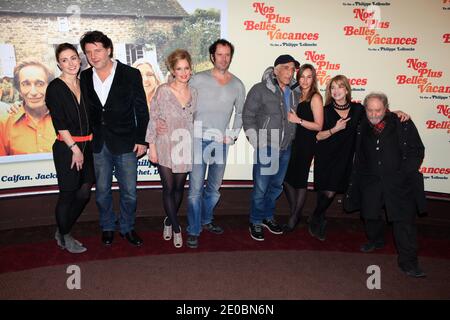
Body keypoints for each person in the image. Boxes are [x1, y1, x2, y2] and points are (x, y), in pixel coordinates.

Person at [310, 75, 410, 241]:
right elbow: (318, 136)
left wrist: (395, 113)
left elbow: (376, 113)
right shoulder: (325, 110)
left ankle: (318, 216)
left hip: (345, 158)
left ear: (347, 89)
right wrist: (335, 129)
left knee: (330, 192)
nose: (336, 91)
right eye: (333, 87)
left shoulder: (357, 109)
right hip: (326, 156)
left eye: (340, 87)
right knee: (327, 192)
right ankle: (316, 218)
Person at [344, 92, 426, 278]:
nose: (373, 114)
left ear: (386, 108)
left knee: (403, 223)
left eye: (378, 110)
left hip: (399, 182)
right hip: (371, 181)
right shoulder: (361, 124)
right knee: (370, 215)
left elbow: (417, 150)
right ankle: (377, 240)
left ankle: (409, 263)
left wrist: (404, 173)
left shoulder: (402, 123)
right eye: (370, 110)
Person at [79, 31, 149, 247]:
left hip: (126, 142)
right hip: (99, 143)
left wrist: (142, 139)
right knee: (102, 192)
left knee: (129, 192)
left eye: (97, 50)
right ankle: (107, 226)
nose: (93, 55)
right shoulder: (84, 77)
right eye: (88, 52)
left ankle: (127, 227)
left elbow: (141, 109)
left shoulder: (130, 74)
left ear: (108, 49)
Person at [184, 39, 246, 249]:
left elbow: (241, 113)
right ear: (212, 56)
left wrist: (233, 134)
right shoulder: (197, 80)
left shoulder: (237, 84)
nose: (224, 58)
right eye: (219, 54)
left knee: (213, 189)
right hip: (197, 140)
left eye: (227, 54)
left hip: (221, 143)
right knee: (195, 189)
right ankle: (193, 230)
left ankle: (205, 220)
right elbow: (184, 105)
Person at [243, 54, 300, 241]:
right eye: (286, 67)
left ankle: (268, 217)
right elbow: (248, 116)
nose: (289, 72)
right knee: (261, 187)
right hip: (267, 145)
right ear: (275, 70)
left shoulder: (296, 92)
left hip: (285, 148)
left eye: (292, 68)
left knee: (276, 186)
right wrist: (257, 142)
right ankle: (256, 221)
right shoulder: (260, 89)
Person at [45, 43, 94, 253]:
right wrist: (74, 149)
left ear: (79, 59)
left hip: (88, 145)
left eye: (73, 58)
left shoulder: (85, 84)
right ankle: (65, 235)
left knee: (84, 192)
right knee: (68, 193)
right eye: (64, 60)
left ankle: (62, 229)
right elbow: (59, 122)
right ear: (59, 64)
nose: (70, 63)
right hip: (68, 148)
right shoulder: (55, 87)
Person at [146, 49, 197, 249]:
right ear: (172, 71)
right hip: (165, 143)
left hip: (184, 144)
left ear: (191, 69)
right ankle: (176, 228)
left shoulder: (195, 92)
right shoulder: (163, 91)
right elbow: (153, 118)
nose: (183, 72)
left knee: (178, 189)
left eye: (186, 68)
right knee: (168, 188)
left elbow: (193, 120)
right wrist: (152, 147)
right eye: (179, 69)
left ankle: (168, 219)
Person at [283, 63, 323, 232]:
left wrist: (298, 120)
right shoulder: (296, 94)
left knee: (299, 181)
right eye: (302, 77)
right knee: (286, 179)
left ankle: (294, 217)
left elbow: (319, 126)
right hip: (293, 141)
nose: (305, 80)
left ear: (313, 79)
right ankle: (296, 212)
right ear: (297, 78)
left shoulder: (315, 97)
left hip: (306, 143)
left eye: (309, 77)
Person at [0, 60, 55, 156]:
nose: (33, 92)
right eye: (26, 84)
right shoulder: (4, 125)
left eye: (40, 84)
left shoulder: (66, 119)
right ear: (19, 90)